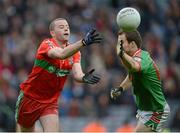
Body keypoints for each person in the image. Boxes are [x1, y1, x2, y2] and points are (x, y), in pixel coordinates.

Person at [15, 18, 102, 132]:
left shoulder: (75, 52)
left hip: (50, 101)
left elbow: (77, 74)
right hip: (29, 98)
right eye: (61, 27)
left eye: (67, 27)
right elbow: (61, 54)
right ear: (52, 33)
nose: (66, 28)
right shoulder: (46, 44)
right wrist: (83, 42)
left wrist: (84, 78)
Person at [110, 30, 170, 132]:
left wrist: (121, 54)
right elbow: (131, 77)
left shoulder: (142, 58)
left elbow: (134, 66)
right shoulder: (135, 58)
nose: (119, 46)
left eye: (121, 42)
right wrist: (120, 88)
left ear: (132, 44)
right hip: (146, 110)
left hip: (156, 110)